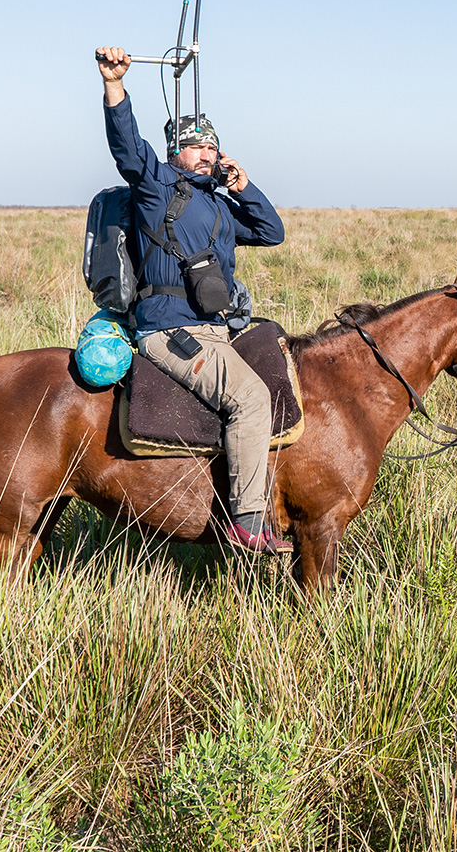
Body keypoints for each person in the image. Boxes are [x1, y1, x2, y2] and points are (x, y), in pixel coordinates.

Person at [96, 45, 291, 556]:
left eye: (213, 147)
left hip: (217, 330)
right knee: (250, 399)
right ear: (174, 152)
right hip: (169, 330)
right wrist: (114, 85)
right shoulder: (157, 187)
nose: (207, 154)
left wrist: (244, 186)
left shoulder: (219, 206)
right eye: (196, 146)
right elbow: (127, 149)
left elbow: (271, 232)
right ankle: (247, 523)